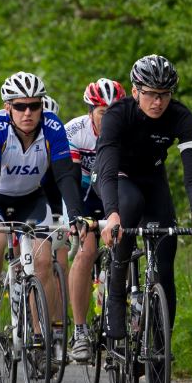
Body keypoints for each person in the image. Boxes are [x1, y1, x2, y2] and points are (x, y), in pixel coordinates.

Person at [95, 55, 192, 383]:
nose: (158, 101)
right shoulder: (118, 115)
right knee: (128, 211)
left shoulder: (181, 116)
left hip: (155, 181)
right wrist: (112, 216)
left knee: (165, 261)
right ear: (135, 91)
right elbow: (105, 168)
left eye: (165, 94)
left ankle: (160, 365)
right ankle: (116, 291)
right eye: (150, 94)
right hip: (121, 180)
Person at [0, 72, 85, 347]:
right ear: (8, 106)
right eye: (20, 106)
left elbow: (64, 175)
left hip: (30, 198)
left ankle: (39, 335)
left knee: (43, 261)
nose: (28, 112)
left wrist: (77, 214)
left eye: (35, 105)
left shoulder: (52, 126)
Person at [64, 78, 126, 361]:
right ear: (91, 112)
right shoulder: (75, 131)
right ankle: (79, 330)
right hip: (85, 195)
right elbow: (72, 180)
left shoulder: (128, 129)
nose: (109, 118)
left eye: (114, 111)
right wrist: (77, 219)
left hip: (112, 192)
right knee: (87, 251)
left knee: (124, 247)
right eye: (103, 113)